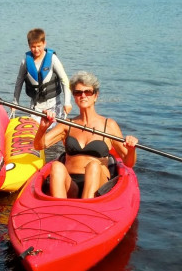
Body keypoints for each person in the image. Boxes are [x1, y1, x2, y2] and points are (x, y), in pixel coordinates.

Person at [34, 71, 138, 199]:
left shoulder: (108, 125)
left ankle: (87, 207)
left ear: (95, 95)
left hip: (98, 183)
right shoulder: (68, 124)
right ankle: (58, 209)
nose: (83, 95)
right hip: (71, 183)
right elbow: (39, 145)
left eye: (88, 92)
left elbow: (128, 162)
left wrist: (132, 149)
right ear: (74, 96)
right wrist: (42, 128)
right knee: (56, 166)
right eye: (78, 92)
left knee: (93, 165)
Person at [13, 28, 72, 120]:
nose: (36, 49)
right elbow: (19, 82)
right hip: (35, 107)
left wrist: (67, 102)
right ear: (29, 46)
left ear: (44, 43)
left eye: (39, 46)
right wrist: (15, 103)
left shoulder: (52, 59)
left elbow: (64, 80)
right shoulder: (25, 62)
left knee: (50, 133)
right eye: (33, 46)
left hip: (53, 106)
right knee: (37, 133)